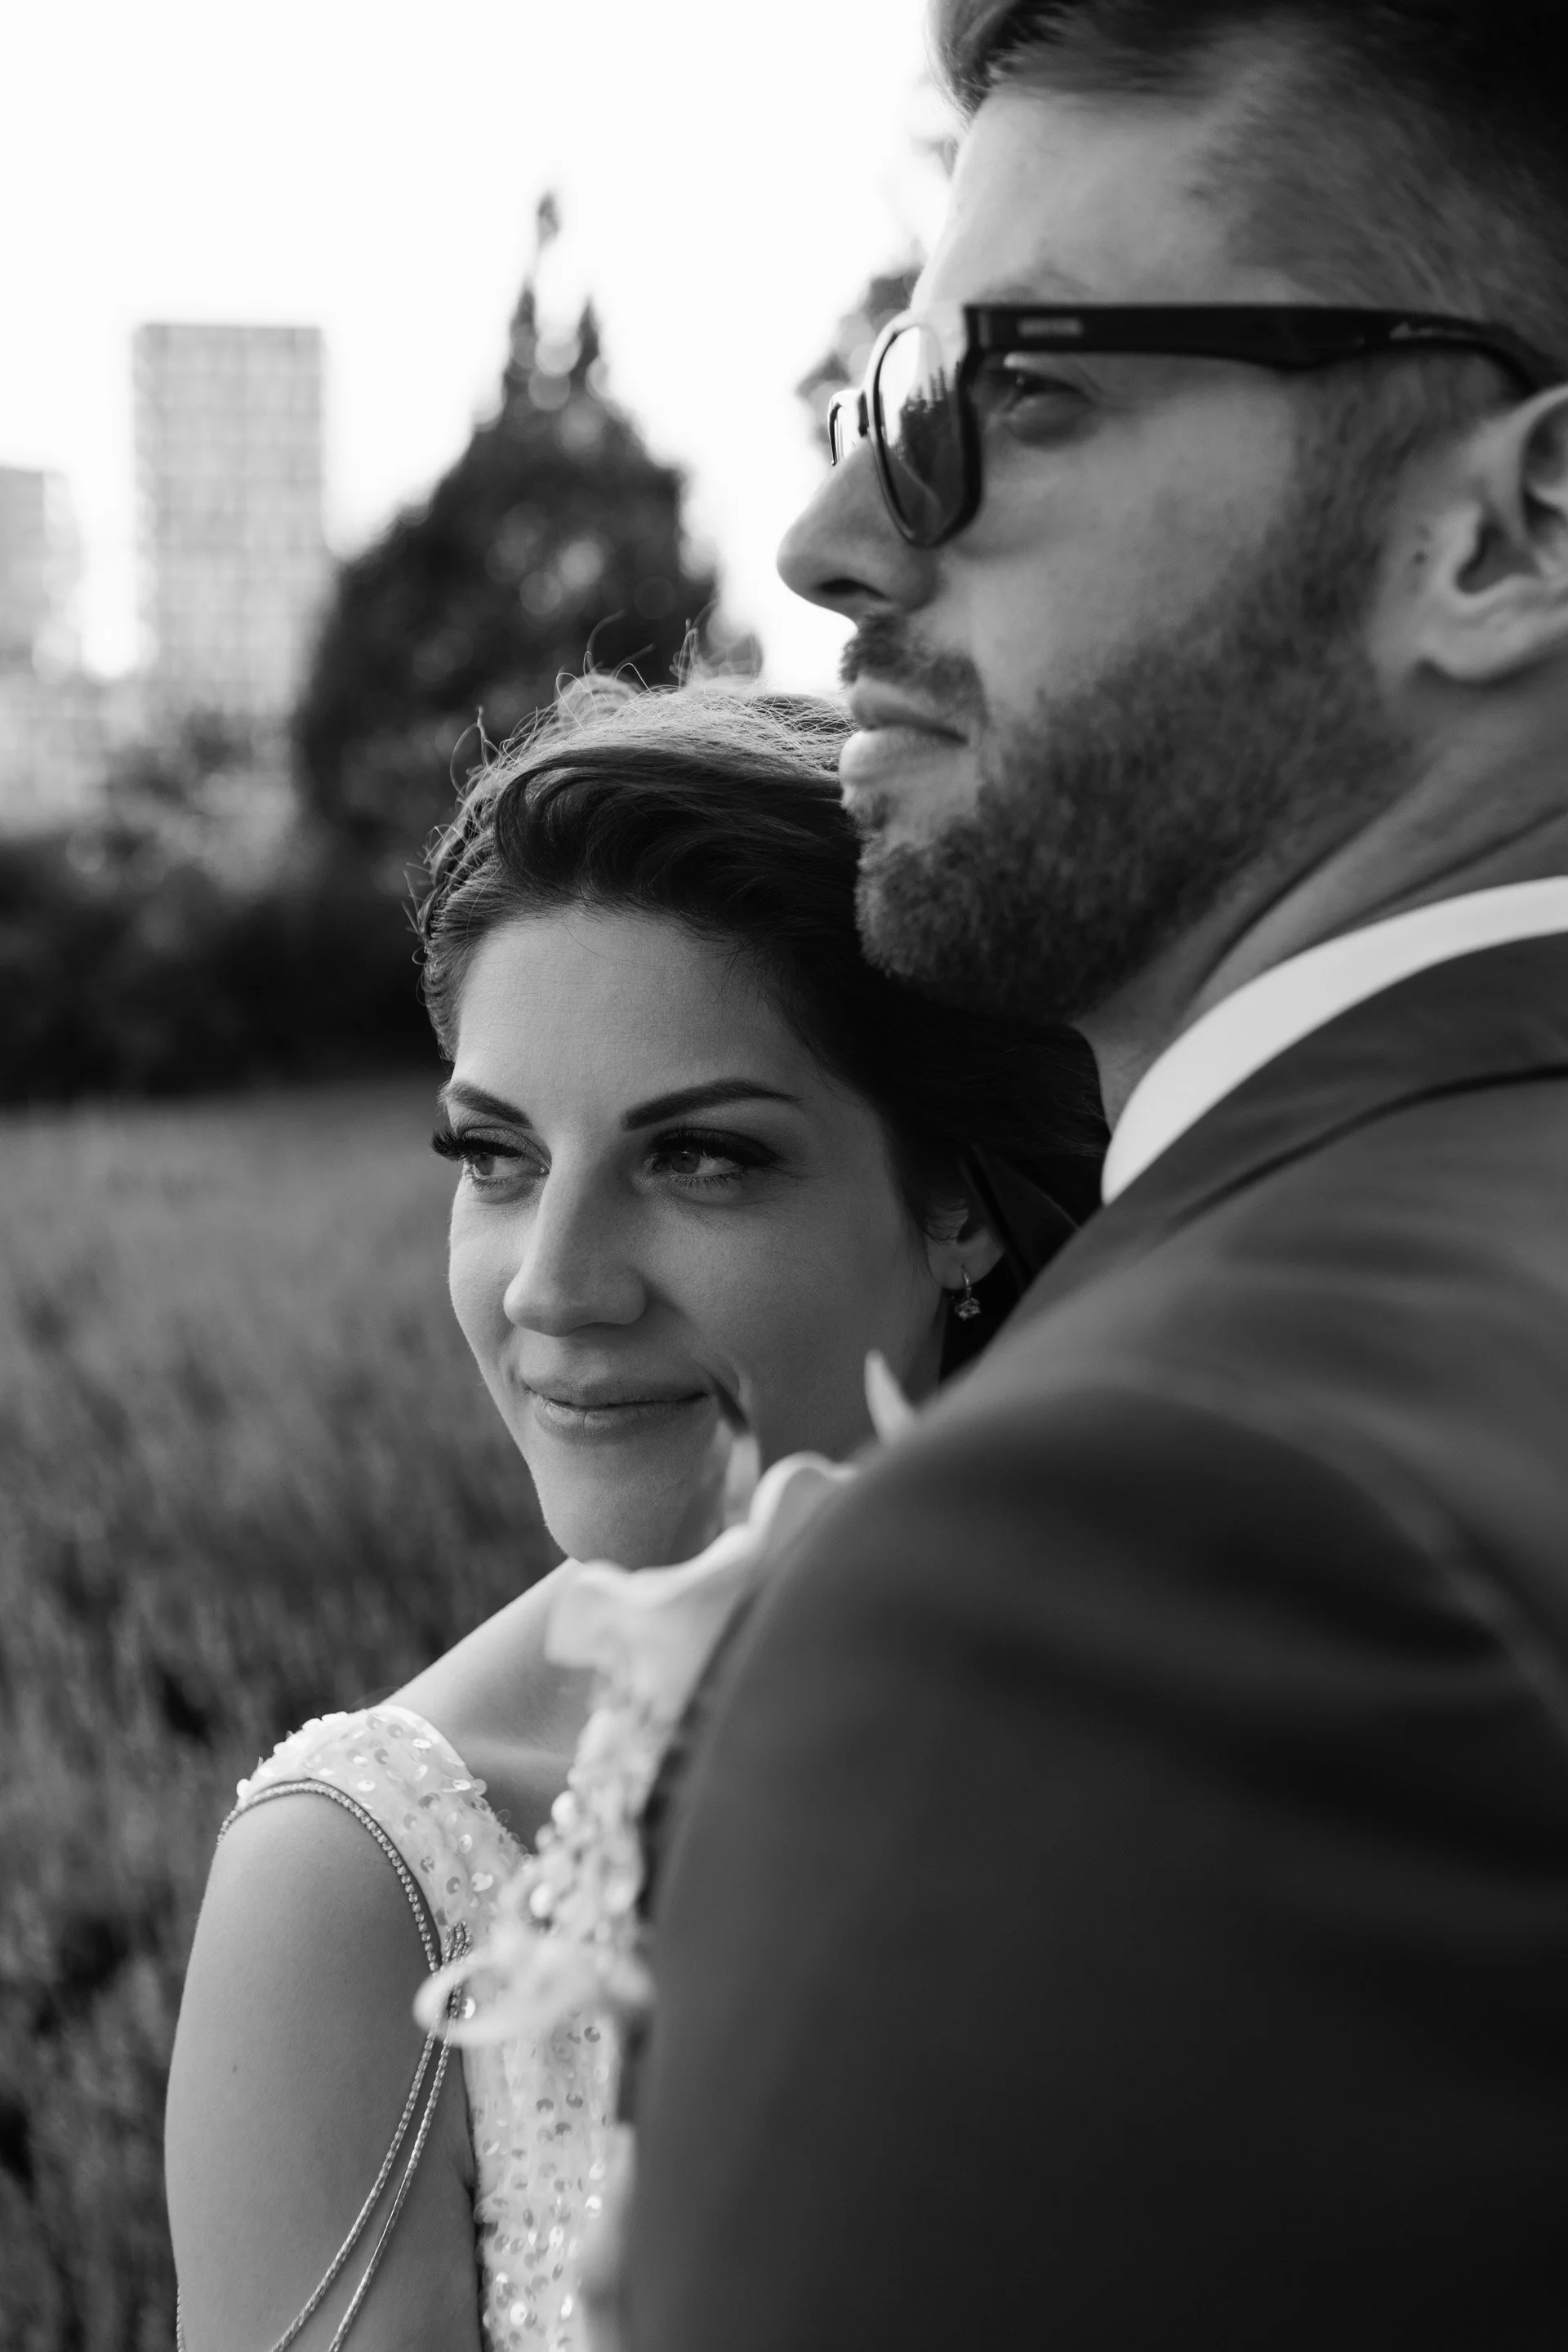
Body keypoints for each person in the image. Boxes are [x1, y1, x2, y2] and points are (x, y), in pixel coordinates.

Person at [623, 4, 1568, 2347]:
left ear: (1511, 529)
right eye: (882, 397)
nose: (833, 539)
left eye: (1007, 397)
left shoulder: (1151, 1549)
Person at [163, 676, 1101, 2352]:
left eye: (701, 1161)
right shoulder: (370, 1882)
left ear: (958, 1201)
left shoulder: (1225, 1712)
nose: (555, 1287)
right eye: (498, 1158)